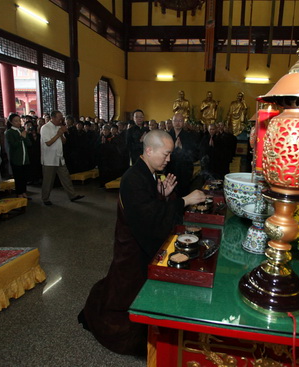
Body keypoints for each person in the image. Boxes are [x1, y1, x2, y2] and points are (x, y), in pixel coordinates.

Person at [78, 129, 206, 355]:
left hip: (140, 240)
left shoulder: (147, 173)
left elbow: (150, 208)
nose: (168, 160)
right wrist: (185, 200)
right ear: (149, 150)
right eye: (165, 155)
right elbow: (149, 218)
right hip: (133, 246)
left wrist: (164, 196)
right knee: (125, 290)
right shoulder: (133, 178)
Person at [40, 110, 84, 206]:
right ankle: (45, 198)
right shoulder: (45, 128)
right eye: (59, 118)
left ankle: (72, 195)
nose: (61, 120)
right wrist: (59, 133)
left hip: (59, 157)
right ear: (53, 118)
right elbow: (48, 143)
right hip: (49, 159)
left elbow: (64, 142)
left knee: (66, 177)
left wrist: (63, 134)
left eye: (62, 118)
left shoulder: (59, 127)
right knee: (48, 180)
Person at [167, 112, 199, 197]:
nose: (178, 123)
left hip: (184, 171)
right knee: (169, 195)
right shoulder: (167, 135)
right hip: (170, 169)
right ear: (172, 122)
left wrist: (182, 148)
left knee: (183, 194)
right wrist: (173, 148)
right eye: (175, 120)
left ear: (183, 122)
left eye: (180, 121)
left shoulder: (190, 136)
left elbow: (195, 155)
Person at [5, 113, 31, 199]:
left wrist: (25, 136)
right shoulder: (9, 132)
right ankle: (19, 193)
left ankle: (24, 192)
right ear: (11, 122)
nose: (18, 122)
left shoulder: (21, 130)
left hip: (25, 159)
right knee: (18, 178)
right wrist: (21, 137)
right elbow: (14, 145)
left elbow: (29, 144)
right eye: (15, 121)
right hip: (16, 159)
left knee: (24, 177)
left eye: (19, 120)